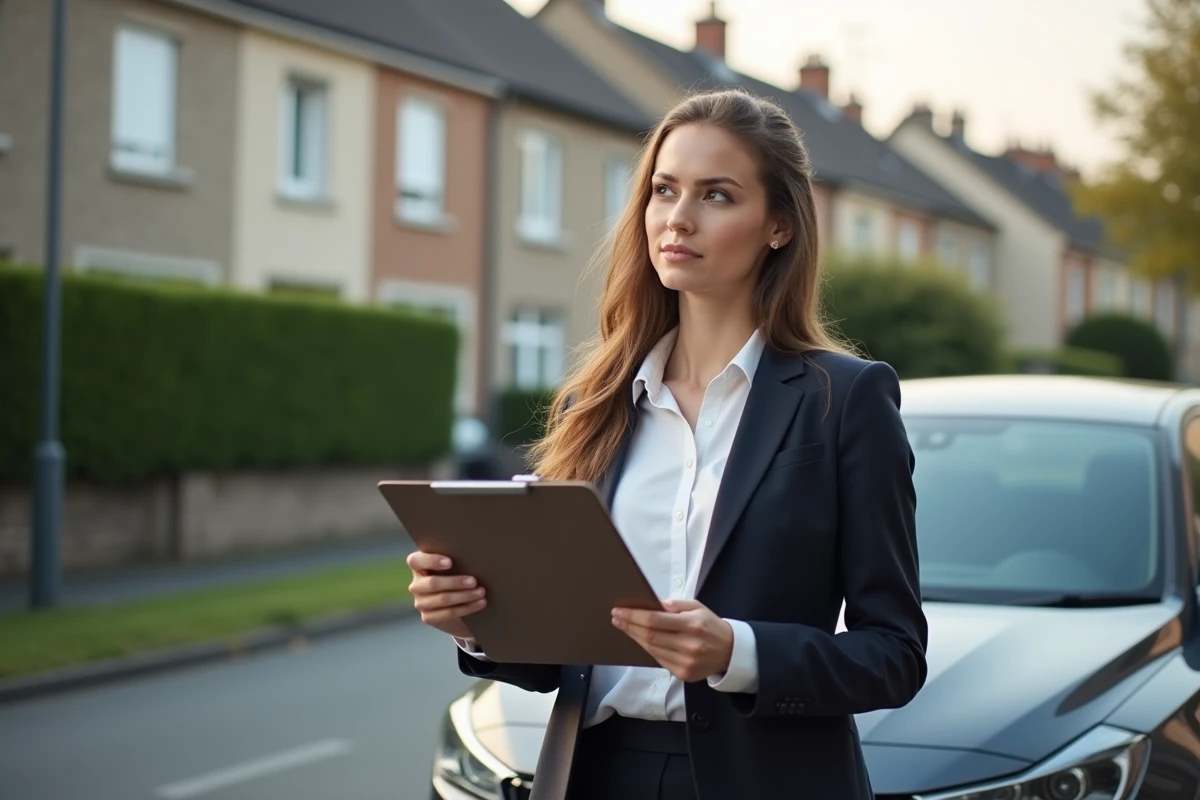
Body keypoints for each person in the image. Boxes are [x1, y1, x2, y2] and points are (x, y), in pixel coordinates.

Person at [407, 88, 928, 800]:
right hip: (599, 775)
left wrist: (736, 653)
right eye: (664, 190)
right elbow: (572, 652)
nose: (678, 218)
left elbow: (894, 655)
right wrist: (476, 622)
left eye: (716, 195)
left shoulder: (845, 401)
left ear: (778, 225)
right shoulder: (594, 404)